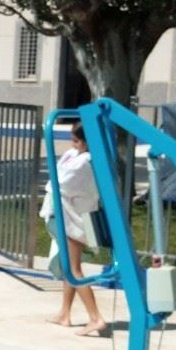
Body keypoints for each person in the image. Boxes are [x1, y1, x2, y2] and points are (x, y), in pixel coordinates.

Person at [41, 121, 109, 336]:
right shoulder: (73, 155)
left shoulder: (87, 162)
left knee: (74, 270)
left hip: (75, 218)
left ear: (88, 142)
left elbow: (60, 184)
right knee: (70, 266)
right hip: (65, 213)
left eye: (77, 140)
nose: (73, 144)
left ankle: (95, 317)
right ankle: (65, 313)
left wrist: (53, 183)